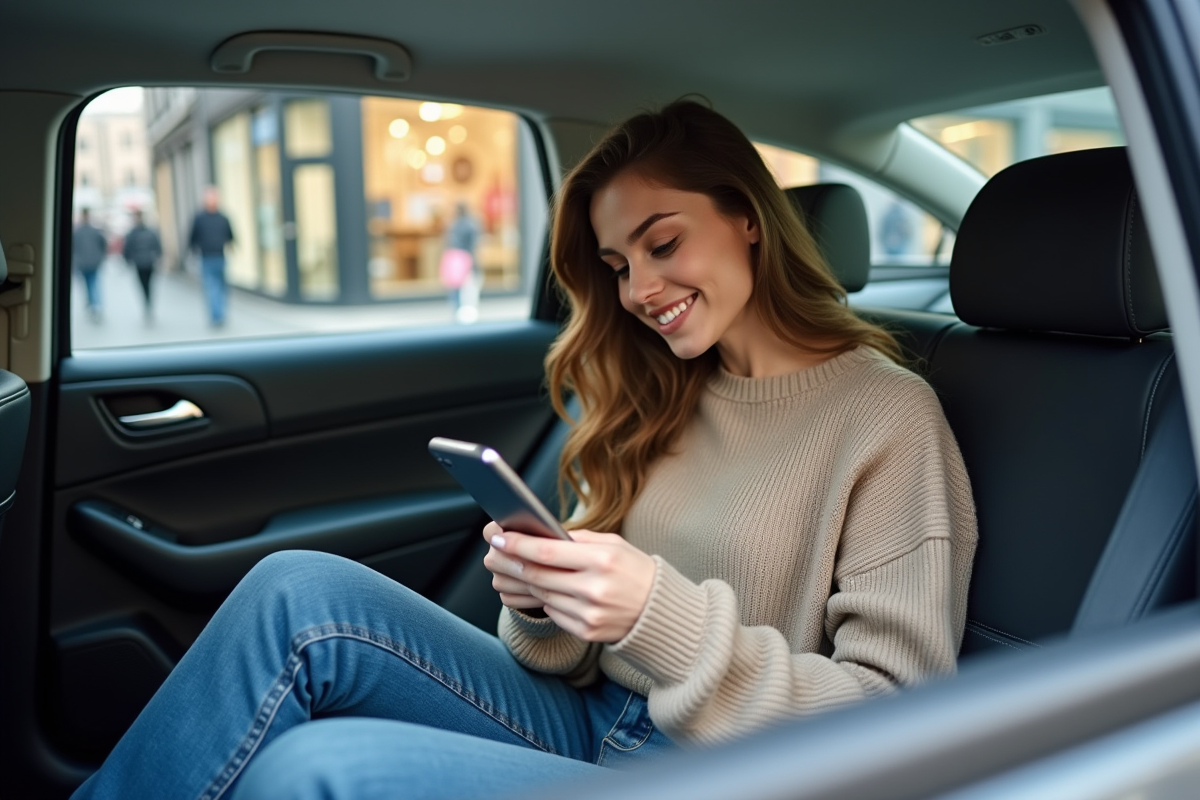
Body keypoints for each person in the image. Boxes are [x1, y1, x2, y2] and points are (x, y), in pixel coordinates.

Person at [72, 101, 977, 800]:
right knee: (295, 591)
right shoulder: (664, 388)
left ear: (748, 217)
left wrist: (652, 612)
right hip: (585, 717)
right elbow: (574, 649)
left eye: (662, 243)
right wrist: (543, 601)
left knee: (314, 772)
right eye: (617, 267)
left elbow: (896, 726)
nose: (639, 290)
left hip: (727, 771)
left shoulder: (886, 416)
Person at [189, 186, 235, 327]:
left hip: (220, 257)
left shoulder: (223, 217)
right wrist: (192, 252)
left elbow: (230, 235)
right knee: (212, 287)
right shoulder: (199, 218)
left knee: (222, 287)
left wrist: (232, 247)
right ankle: (217, 316)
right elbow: (192, 237)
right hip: (206, 257)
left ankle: (220, 313)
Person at [441, 201, 482, 323]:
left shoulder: (453, 225)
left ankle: (457, 312)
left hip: (455, 258)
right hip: (465, 258)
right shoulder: (471, 224)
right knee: (467, 289)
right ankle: (464, 314)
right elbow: (475, 245)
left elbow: (448, 243)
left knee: (456, 288)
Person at [122, 209, 163, 321]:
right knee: (147, 285)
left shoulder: (133, 233)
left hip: (143, 263)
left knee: (145, 285)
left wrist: (127, 260)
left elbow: (127, 249)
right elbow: (157, 246)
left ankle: (147, 302)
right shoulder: (148, 232)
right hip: (145, 262)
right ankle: (148, 302)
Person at [72, 208, 107, 321]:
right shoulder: (93, 231)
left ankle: (93, 304)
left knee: (90, 284)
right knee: (91, 284)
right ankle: (94, 304)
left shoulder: (78, 232)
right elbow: (103, 245)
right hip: (90, 263)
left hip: (86, 263)